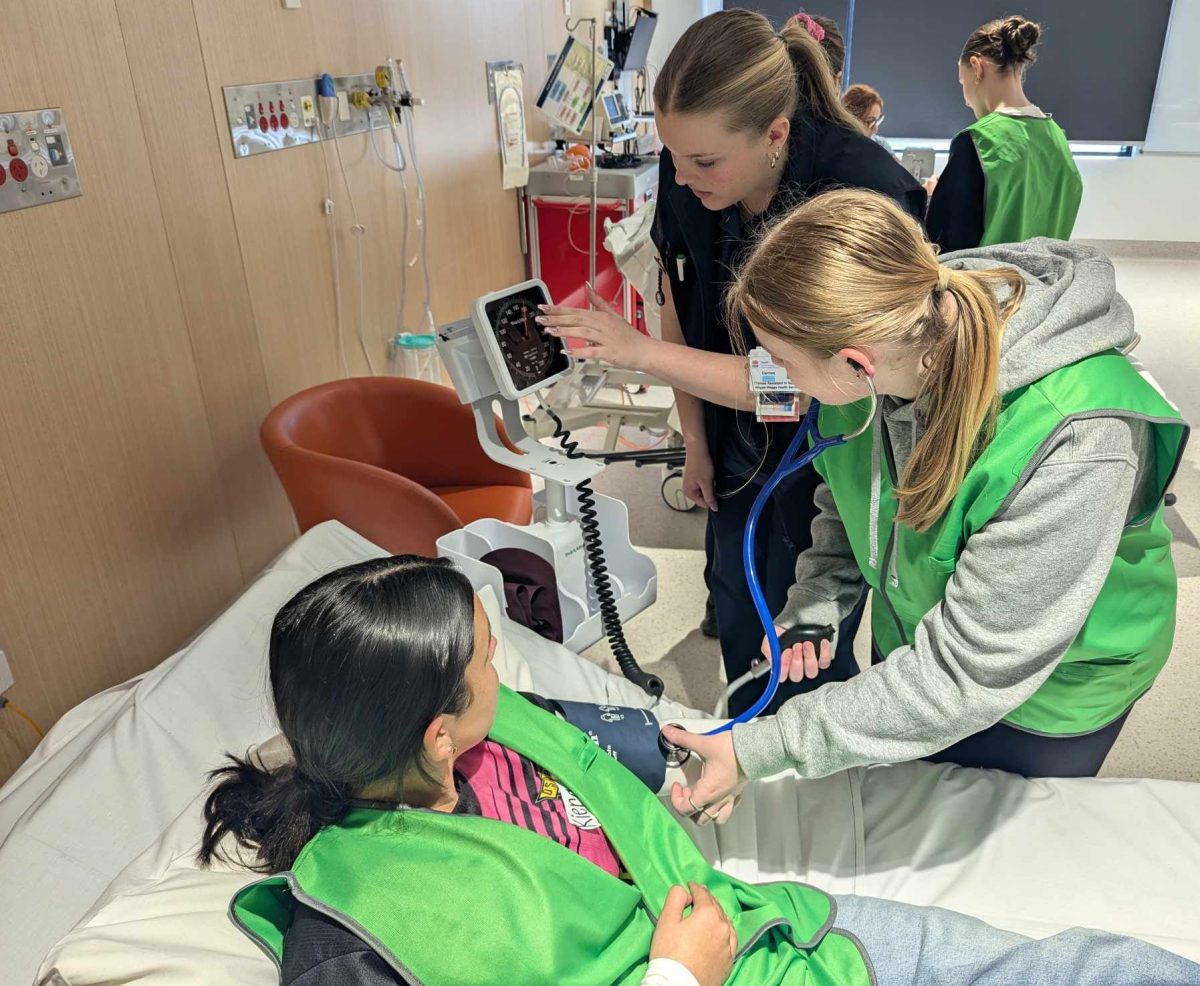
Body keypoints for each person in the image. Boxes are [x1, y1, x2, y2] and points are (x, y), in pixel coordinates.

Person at [202, 555, 1199, 985]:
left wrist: (730, 751)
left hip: (782, 928)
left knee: (1080, 965)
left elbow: (627, 739)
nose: (505, 667)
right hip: (722, 963)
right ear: (436, 737)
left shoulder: (497, 737)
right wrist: (678, 974)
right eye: (486, 663)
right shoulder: (355, 943)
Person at [660, 188, 1187, 825]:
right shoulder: (881, 346)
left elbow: (966, 676)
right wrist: (821, 600)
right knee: (913, 791)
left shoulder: (1075, 439)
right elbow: (850, 494)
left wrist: (761, 747)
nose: (775, 378)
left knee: (998, 845)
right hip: (922, 631)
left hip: (1053, 687)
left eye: (783, 364)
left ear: (855, 362)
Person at [536, 9, 925, 717]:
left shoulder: (858, 193)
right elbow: (677, 296)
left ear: (775, 134)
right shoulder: (689, 167)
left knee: (804, 634)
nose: (681, 180)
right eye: (672, 156)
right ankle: (747, 727)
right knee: (739, 607)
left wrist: (638, 354)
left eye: (704, 162)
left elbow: (809, 389)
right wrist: (694, 442)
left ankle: (793, 754)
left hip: (831, 455)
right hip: (737, 439)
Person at [926, 15, 1083, 252]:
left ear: (977, 67)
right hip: (1048, 282)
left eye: (962, 83)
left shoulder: (978, 141)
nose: (966, 100)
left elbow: (946, 243)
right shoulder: (1056, 137)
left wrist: (934, 198)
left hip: (986, 284)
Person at [842, 83, 893, 153]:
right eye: (869, 122)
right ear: (851, 120)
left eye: (877, 121)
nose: (875, 129)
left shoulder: (881, 145)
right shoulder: (836, 149)